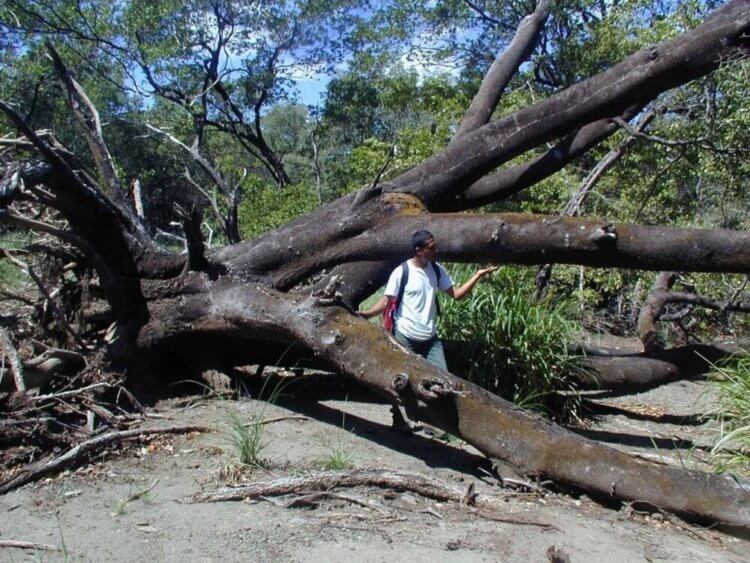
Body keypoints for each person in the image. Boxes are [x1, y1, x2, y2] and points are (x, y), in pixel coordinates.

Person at [358, 230, 496, 370]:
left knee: (444, 378)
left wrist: (477, 276)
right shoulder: (401, 272)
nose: (436, 250)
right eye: (431, 247)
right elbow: (385, 302)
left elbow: (457, 295)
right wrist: (366, 314)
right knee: (406, 378)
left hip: (430, 339)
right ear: (418, 251)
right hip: (405, 337)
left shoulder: (437, 270)